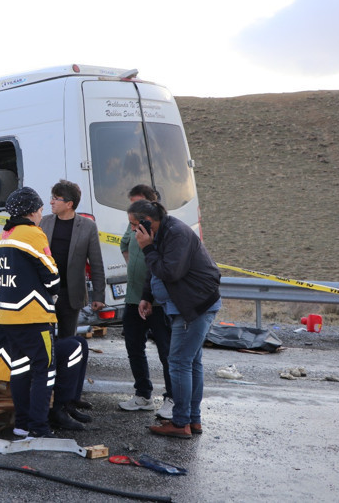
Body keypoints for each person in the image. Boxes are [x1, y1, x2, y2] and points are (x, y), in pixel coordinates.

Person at [128, 199, 221, 439]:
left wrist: (147, 247)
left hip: (194, 307)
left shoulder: (177, 233)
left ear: (147, 222)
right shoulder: (161, 233)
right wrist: (147, 296)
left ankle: (181, 423)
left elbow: (170, 271)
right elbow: (154, 269)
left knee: (179, 362)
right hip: (184, 305)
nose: (131, 230)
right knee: (191, 362)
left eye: (133, 224)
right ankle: (193, 419)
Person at [0, 187, 61, 438]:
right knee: (45, 369)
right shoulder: (32, 234)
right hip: (33, 315)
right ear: (31, 212)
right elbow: (51, 276)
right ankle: (39, 428)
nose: (42, 214)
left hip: (7, 316)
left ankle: (21, 424)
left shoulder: (4, 235)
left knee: (19, 369)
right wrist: (54, 292)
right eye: (41, 210)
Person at [39, 180, 105, 419]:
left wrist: (99, 295)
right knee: (46, 346)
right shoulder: (44, 222)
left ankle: (71, 398)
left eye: (56, 198)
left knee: (71, 345)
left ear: (69, 203)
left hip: (70, 294)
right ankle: (49, 395)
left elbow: (96, 263)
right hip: (45, 295)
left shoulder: (86, 227)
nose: (51, 202)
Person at [118, 185, 174, 419]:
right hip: (134, 298)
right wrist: (136, 270)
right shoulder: (133, 227)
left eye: (137, 204)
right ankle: (143, 395)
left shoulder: (164, 230)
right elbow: (124, 245)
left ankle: (172, 398)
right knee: (133, 346)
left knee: (167, 351)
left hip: (160, 302)